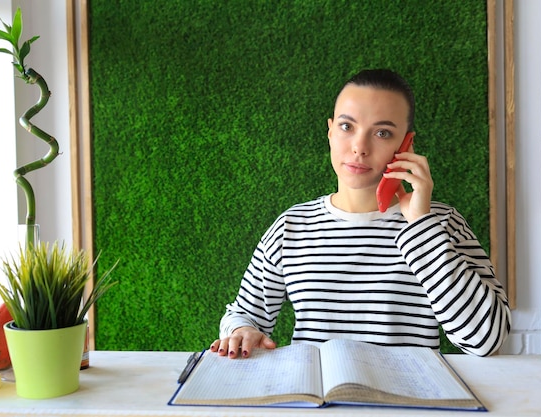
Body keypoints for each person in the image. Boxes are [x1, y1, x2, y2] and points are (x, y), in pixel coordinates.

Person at [210, 69, 511, 359]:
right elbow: (244, 313)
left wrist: (421, 226)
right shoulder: (292, 226)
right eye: (346, 126)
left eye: (382, 132)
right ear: (330, 132)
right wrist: (242, 329)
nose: (359, 147)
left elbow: (487, 339)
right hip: (318, 407)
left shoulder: (442, 224)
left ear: (406, 144)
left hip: (409, 407)